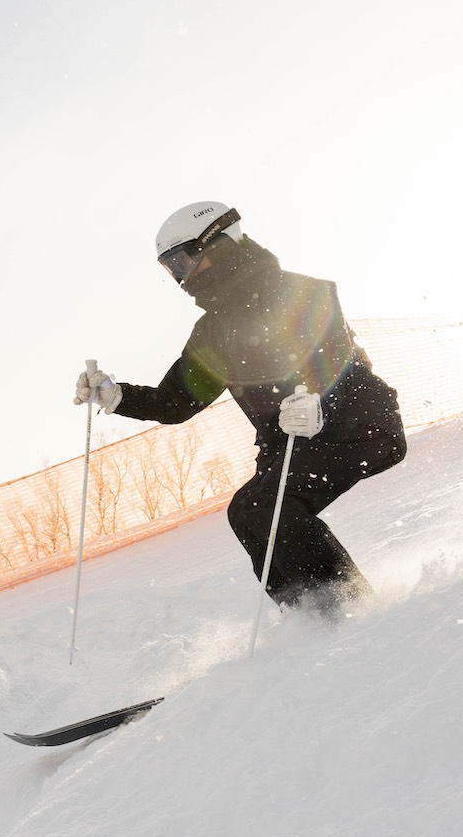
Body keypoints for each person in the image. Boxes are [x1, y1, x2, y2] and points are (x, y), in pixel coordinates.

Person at [74, 202, 407, 616]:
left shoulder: (300, 290)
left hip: (356, 424)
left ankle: (348, 606)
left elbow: (332, 350)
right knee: (248, 511)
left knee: (270, 506)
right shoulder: (213, 332)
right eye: (171, 269)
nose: (182, 277)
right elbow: (176, 401)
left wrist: (319, 400)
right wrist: (117, 395)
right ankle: (307, 615)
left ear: (216, 244)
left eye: (181, 261)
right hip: (294, 446)